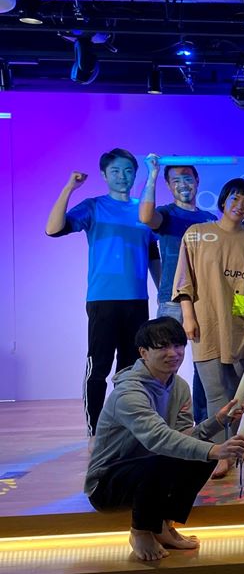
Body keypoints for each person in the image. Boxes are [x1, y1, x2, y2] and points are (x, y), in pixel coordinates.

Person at [85, 317, 244, 561]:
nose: (173, 353)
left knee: (200, 456)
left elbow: (182, 437)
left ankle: (163, 525)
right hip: (107, 484)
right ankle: (141, 530)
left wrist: (217, 421)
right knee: (167, 459)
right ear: (143, 353)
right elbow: (158, 439)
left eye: (178, 345)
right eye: (162, 346)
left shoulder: (179, 386)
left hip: (150, 471)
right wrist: (216, 449)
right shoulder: (129, 393)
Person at [45, 148, 160, 436]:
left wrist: (164, 293)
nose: (122, 176)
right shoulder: (94, 206)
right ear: (104, 175)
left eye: (128, 171)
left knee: (130, 368)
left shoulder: (143, 211)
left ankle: (122, 426)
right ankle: (95, 430)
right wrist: (69, 188)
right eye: (115, 171)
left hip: (137, 301)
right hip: (103, 300)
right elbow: (53, 229)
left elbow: (153, 255)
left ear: (135, 174)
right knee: (99, 366)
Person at [173, 178, 244, 478]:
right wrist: (188, 317)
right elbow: (184, 281)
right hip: (205, 323)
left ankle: (235, 449)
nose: (240, 205)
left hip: (243, 326)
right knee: (215, 392)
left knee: (239, 393)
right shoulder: (197, 233)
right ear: (223, 200)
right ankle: (220, 452)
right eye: (235, 198)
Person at [138, 155, 217, 422]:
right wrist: (152, 174)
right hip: (172, 300)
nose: (183, 184)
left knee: (204, 364)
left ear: (197, 181)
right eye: (175, 180)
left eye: (187, 178)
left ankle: (203, 423)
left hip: (204, 301)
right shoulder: (167, 214)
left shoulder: (209, 219)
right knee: (163, 361)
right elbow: (146, 216)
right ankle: (159, 421)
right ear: (168, 185)